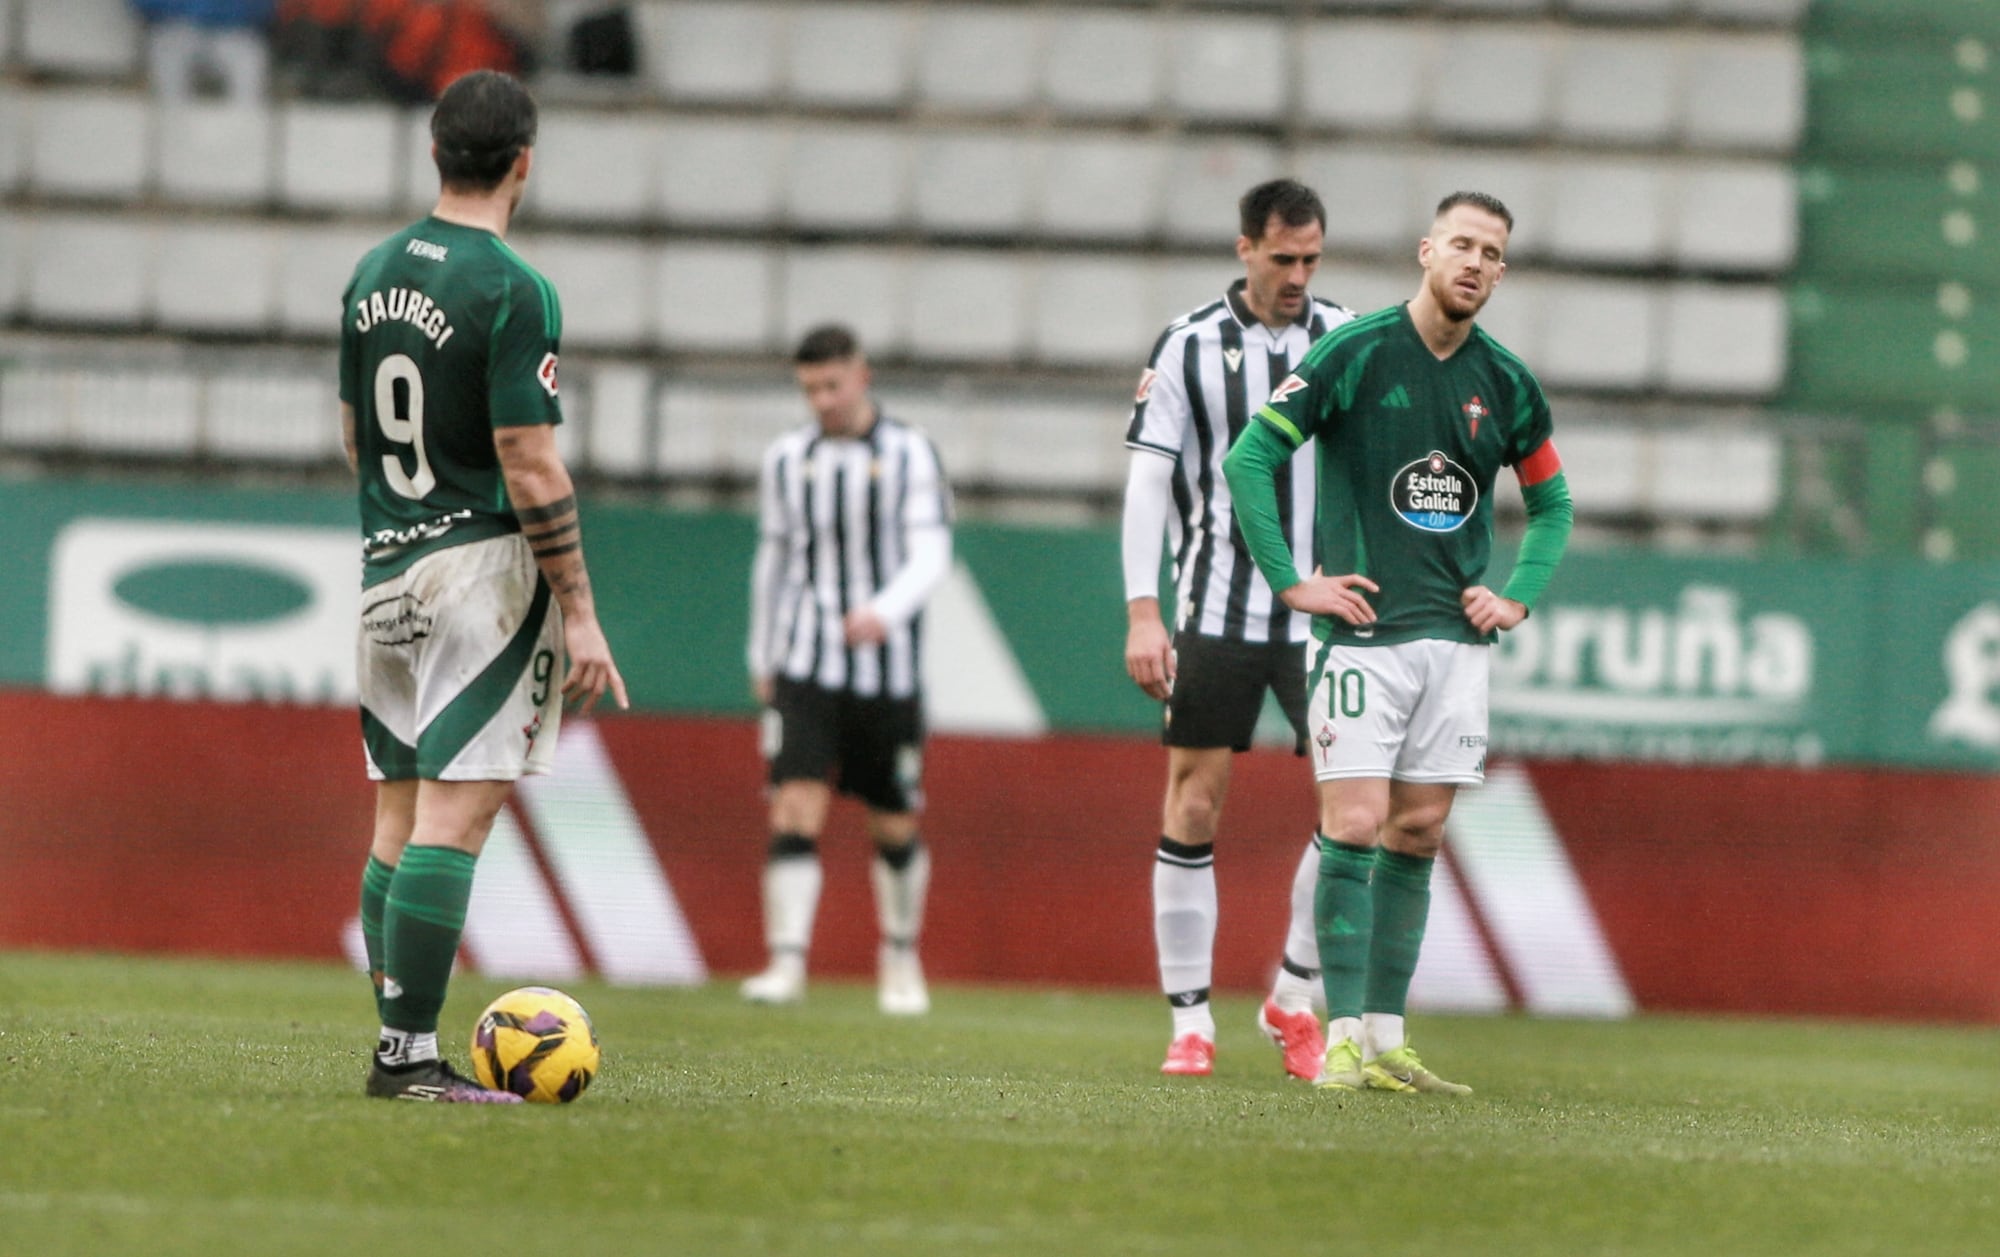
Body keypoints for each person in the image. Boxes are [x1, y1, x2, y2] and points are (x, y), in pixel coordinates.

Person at [1222, 191, 1573, 1095]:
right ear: (1427, 250)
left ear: (1501, 271)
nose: (1476, 263)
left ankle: (1385, 1040)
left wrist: (1518, 597)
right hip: (1361, 638)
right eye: (1462, 244)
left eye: (1493, 253)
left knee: (1418, 832)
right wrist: (1290, 579)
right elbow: (1250, 457)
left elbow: (1552, 504)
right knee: (1354, 825)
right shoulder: (1358, 350)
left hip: (1455, 644)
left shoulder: (1506, 380)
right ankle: (1332, 1035)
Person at [340, 68, 627, 1102]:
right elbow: (528, 456)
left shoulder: (373, 273)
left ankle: (395, 1038)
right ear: (523, 163)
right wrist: (581, 613)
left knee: (396, 823)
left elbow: (354, 433)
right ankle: (406, 1058)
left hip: (385, 564)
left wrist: (392, 536)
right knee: (453, 824)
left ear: (432, 152)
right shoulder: (514, 287)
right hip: (481, 571)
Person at [1122, 178, 1355, 1080]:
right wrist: (1145, 608)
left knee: (1354, 812)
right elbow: (1148, 480)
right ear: (1244, 249)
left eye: (1311, 259)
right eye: (1283, 257)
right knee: (1192, 803)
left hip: (1324, 613)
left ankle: (1293, 995)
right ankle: (1190, 1022)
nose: (1298, 275)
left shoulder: (1346, 338)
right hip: (1214, 606)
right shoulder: (1187, 346)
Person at [741, 325, 954, 1016]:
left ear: (861, 376)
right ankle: (786, 963)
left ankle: (899, 957)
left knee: (892, 818)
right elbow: (773, 559)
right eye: (810, 389)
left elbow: (931, 550)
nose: (823, 400)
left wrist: (886, 610)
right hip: (807, 659)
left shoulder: (909, 451)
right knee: (795, 802)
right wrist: (762, 653)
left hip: (886, 671)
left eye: (832, 385)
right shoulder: (784, 459)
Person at [130, 1, 276, 103]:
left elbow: (264, 7)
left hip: (232, 30)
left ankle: (243, 136)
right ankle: (172, 135)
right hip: (177, 27)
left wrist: (225, 10)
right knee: (166, 51)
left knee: (250, 58)